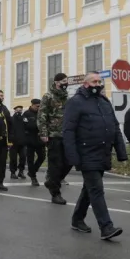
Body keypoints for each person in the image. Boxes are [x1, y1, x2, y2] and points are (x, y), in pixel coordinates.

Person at [62, 71, 127, 240]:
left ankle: (77, 219)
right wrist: (73, 157)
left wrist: (121, 151)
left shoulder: (104, 102)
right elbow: (68, 131)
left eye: (99, 81)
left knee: (89, 189)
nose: (98, 84)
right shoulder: (75, 102)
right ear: (85, 84)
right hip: (86, 153)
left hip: (102, 152)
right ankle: (106, 227)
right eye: (94, 81)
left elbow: (114, 126)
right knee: (97, 189)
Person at [39, 71, 72, 203]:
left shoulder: (67, 97)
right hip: (53, 135)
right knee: (55, 164)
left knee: (70, 162)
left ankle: (52, 181)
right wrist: (43, 133)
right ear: (57, 83)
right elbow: (42, 116)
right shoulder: (48, 96)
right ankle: (55, 193)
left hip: (66, 135)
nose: (66, 84)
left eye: (66, 81)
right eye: (64, 82)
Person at [22, 99, 45, 187]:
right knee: (30, 160)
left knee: (42, 157)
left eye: (40, 106)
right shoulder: (26, 114)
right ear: (32, 105)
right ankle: (33, 178)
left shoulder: (41, 113)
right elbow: (27, 126)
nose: (39, 108)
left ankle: (32, 171)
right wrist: (38, 126)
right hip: (30, 140)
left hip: (40, 140)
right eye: (37, 106)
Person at [9, 104, 27, 180]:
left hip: (22, 142)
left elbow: (27, 128)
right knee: (13, 158)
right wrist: (10, 140)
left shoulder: (24, 118)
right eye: (18, 110)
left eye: (20, 110)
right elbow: (9, 130)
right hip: (13, 142)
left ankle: (21, 171)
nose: (19, 112)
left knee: (23, 157)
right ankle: (13, 173)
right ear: (15, 110)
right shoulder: (11, 119)